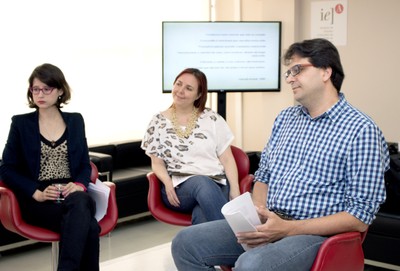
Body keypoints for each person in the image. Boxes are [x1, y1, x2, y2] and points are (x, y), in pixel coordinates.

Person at [171, 38, 390, 270]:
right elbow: (263, 176)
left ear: (326, 72)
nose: (290, 78)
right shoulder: (286, 118)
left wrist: (289, 228)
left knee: (251, 265)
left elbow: (359, 217)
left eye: (298, 70)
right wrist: (258, 214)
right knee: (185, 244)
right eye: (288, 72)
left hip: (314, 235)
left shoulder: (361, 130)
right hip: (270, 222)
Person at [0, 63, 100, 271]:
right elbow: (6, 169)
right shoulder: (21, 124)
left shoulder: (75, 121)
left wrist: (80, 184)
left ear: (60, 90)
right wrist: (35, 192)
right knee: (89, 226)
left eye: (47, 89)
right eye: (35, 89)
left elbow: (84, 164)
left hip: (72, 194)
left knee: (80, 200)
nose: (40, 94)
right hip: (38, 199)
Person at [141, 68, 240, 224]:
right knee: (202, 183)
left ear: (199, 95)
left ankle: (212, 246)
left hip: (218, 183)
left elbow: (227, 159)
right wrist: (167, 183)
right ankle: (241, 239)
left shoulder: (212, 118)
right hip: (179, 188)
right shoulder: (158, 122)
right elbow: (157, 163)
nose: (180, 91)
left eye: (188, 88)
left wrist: (235, 190)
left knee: (202, 216)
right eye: (178, 84)